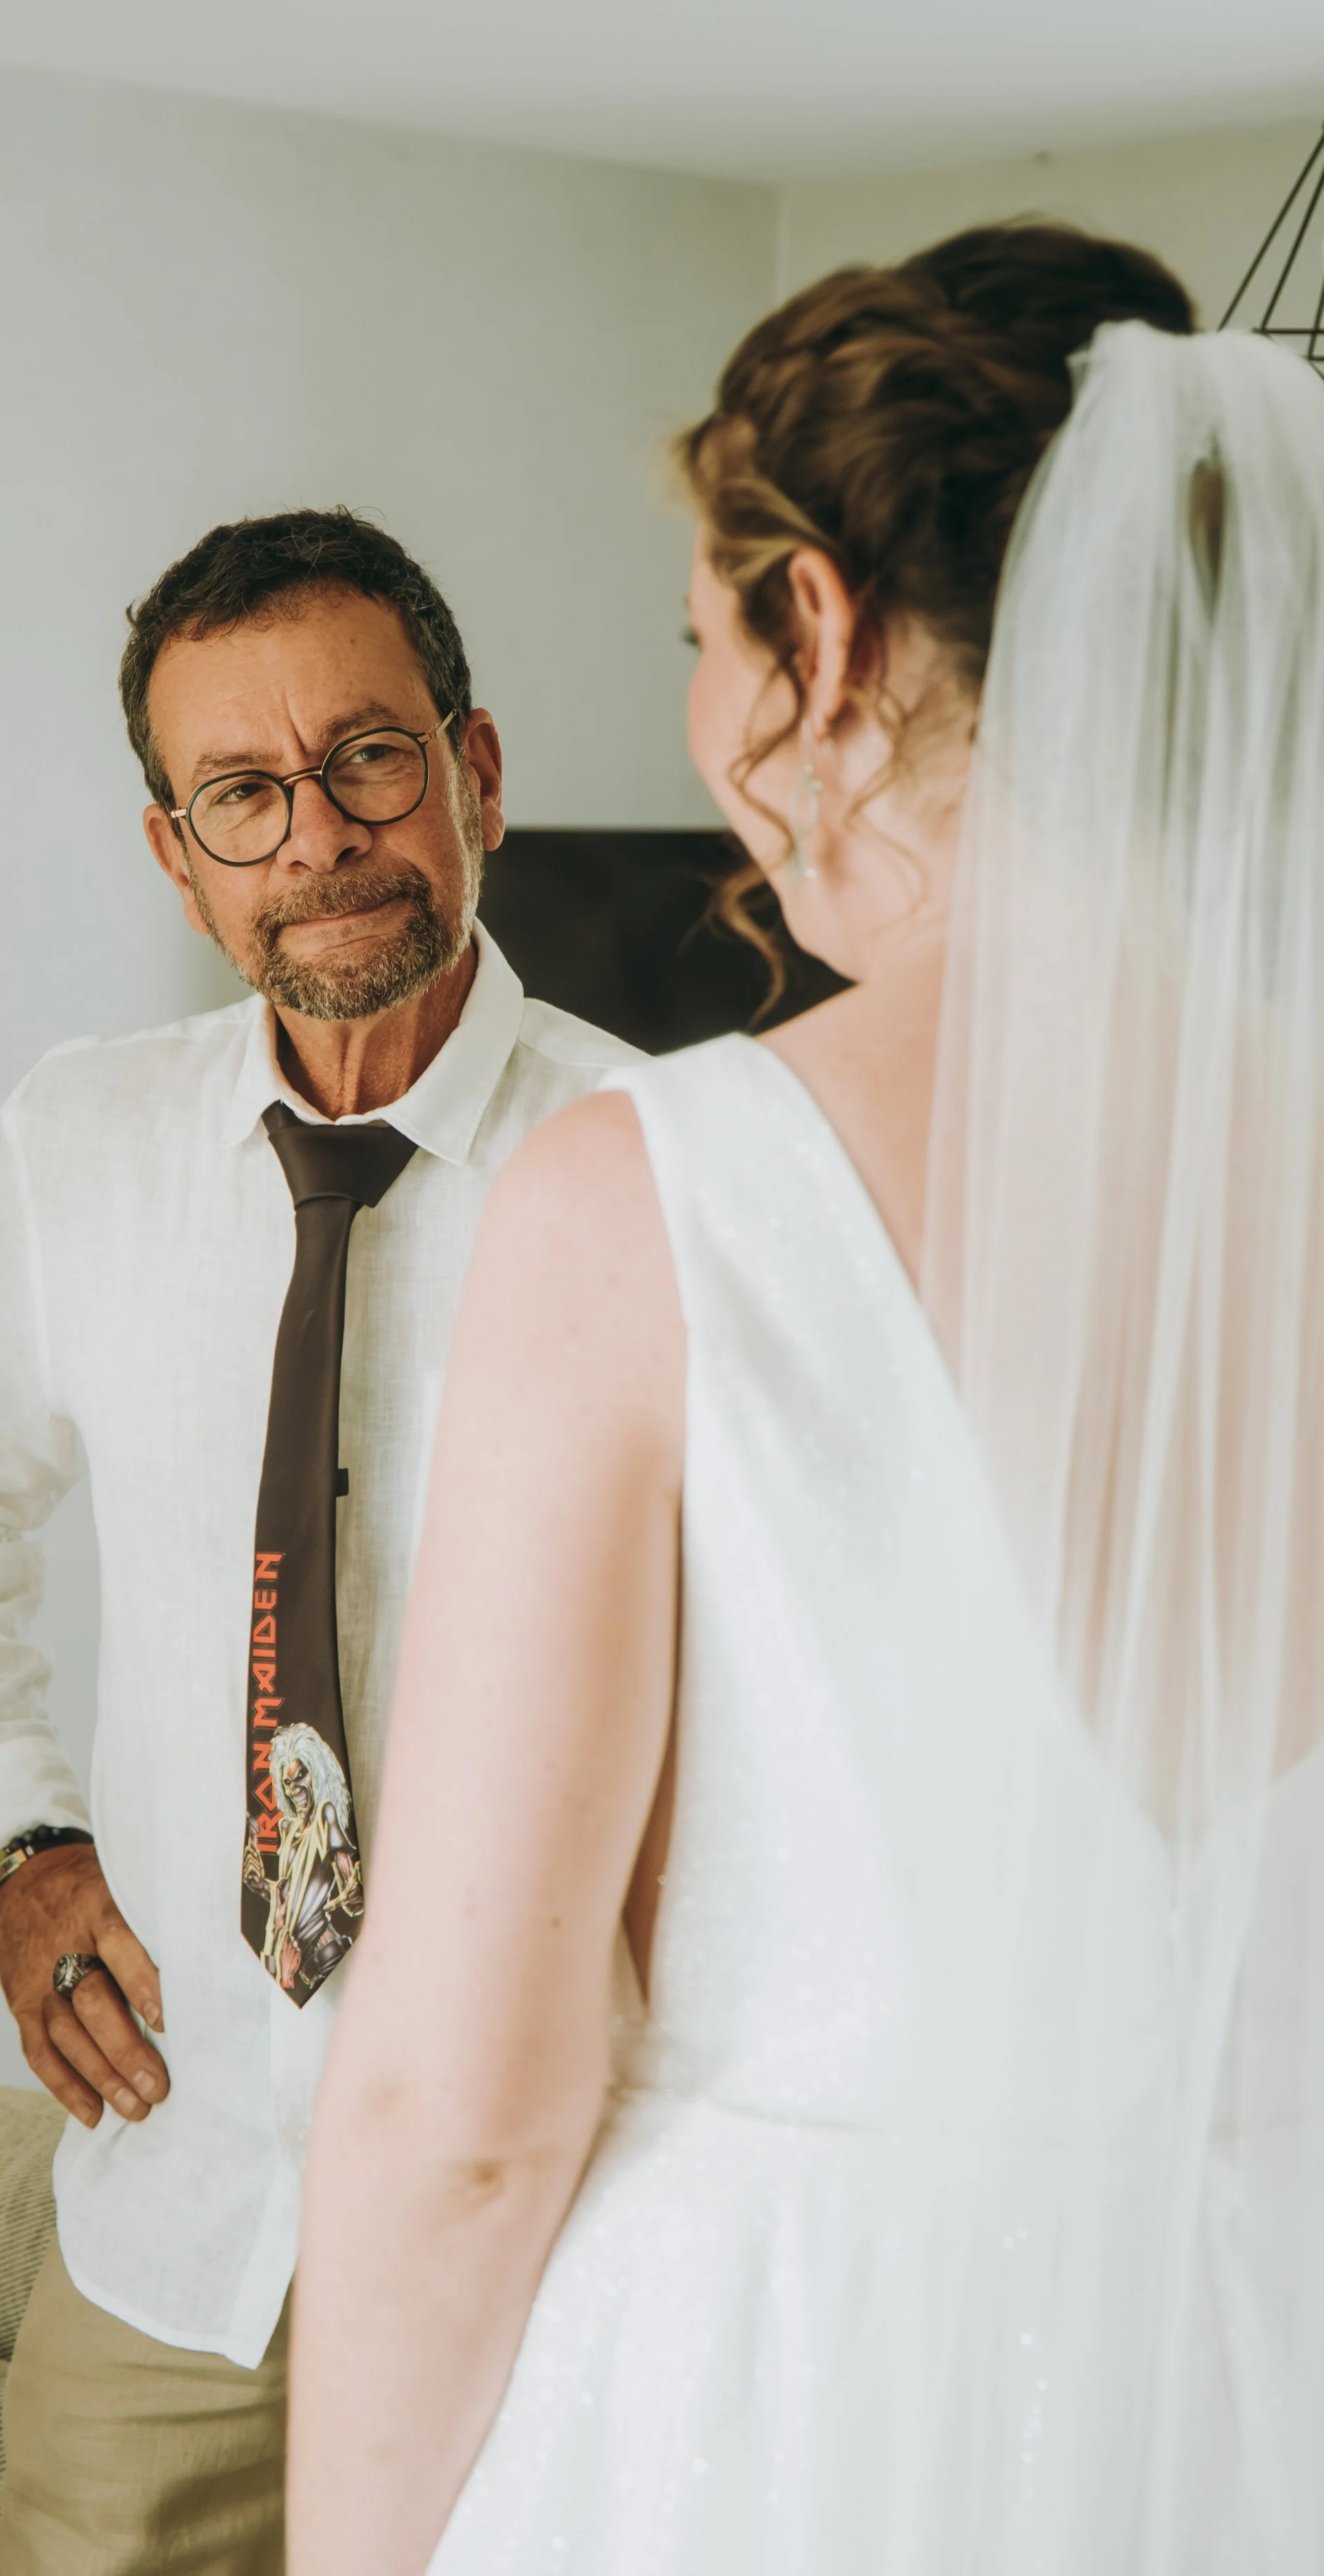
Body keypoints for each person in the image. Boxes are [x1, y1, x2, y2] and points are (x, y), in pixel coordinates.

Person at [291, 227, 1324, 2573]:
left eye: (697, 637)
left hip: (786, 2415)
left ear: (820, 633)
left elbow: (459, 2108)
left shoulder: (652, 1199)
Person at [0, 506, 636, 2576]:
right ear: (173, 855)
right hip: (172, 2236)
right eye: (241, 793)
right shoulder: (81, 1143)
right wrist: (14, 1841)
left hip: (562, 2235)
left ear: (470, 770)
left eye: (367, 760)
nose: (318, 836)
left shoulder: (665, 1172)